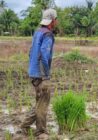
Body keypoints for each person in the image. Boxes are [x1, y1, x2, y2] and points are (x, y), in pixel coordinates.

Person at [20, 9, 57, 139]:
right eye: (55, 20)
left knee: (39, 102)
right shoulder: (48, 34)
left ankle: (25, 125)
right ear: (52, 21)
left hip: (33, 72)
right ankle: (41, 131)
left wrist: (34, 69)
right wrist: (45, 75)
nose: (56, 22)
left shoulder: (37, 32)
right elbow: (44, 55)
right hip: (41, 75)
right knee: (43, 103)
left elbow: (31, 52)